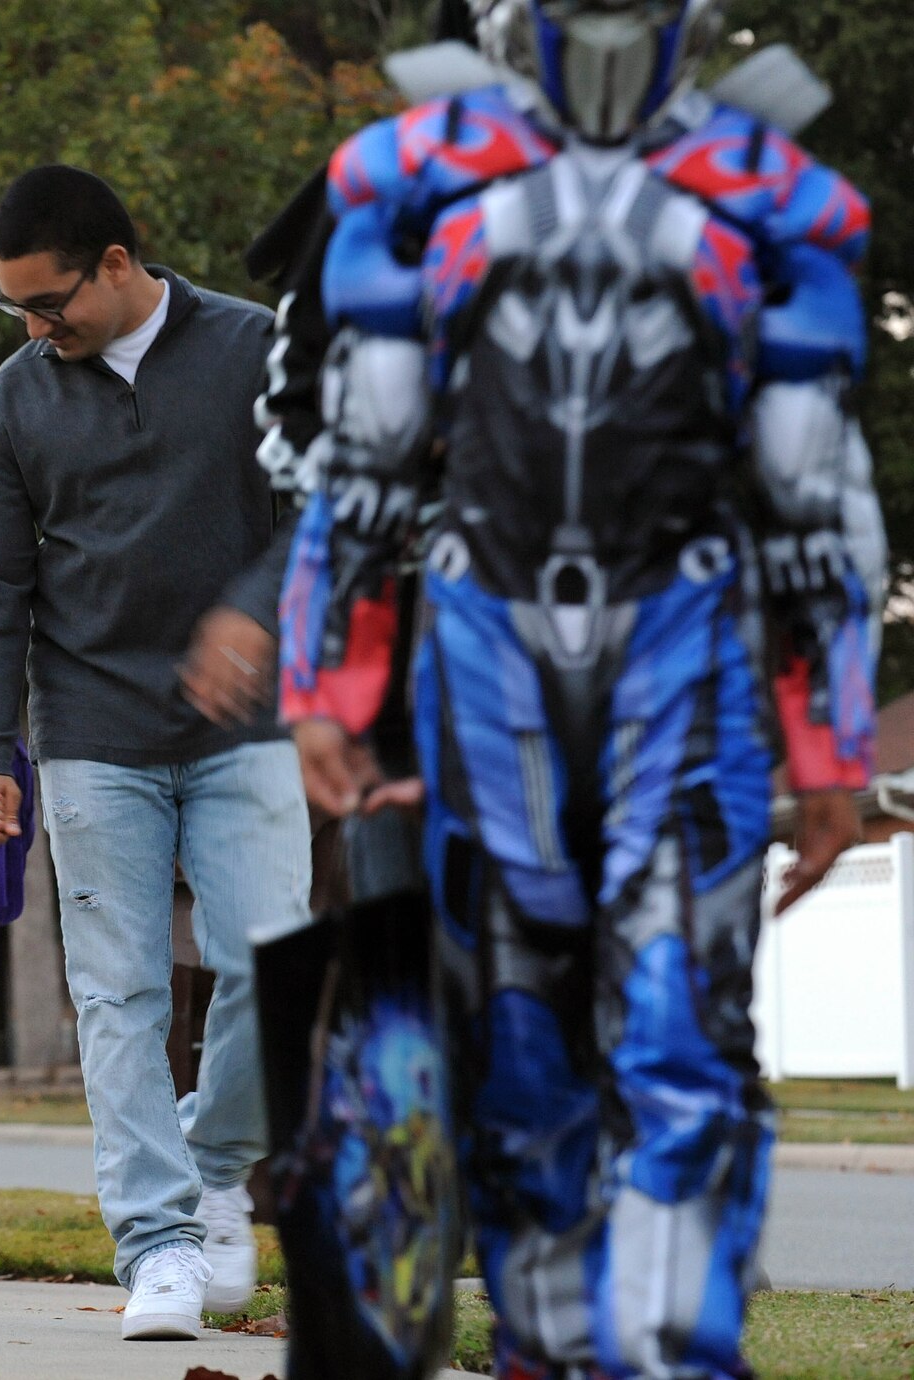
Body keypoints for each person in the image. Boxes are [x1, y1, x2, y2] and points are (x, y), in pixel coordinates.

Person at [280, 5, 879, 1375]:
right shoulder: (428, 168)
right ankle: (543, 1345)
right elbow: (364, 463)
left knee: (680, 1026)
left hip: (682, 641)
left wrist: (831, 743)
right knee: (518, 1033)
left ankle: (668, 1354)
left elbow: (813, 489)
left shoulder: (761, 183)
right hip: (488, 653)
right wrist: (328, 680)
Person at [0, 164, 313, 1339]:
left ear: (117, 264)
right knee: (118, 994)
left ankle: (215, 1167)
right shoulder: (12, 407)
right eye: (13, 309)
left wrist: (255, 613)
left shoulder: (254, 351)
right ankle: (155, 1244)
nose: (32, 328)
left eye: (47, 303)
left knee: (273, 966)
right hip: (93, 732)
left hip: (241, 727)